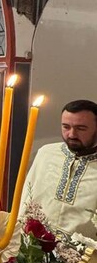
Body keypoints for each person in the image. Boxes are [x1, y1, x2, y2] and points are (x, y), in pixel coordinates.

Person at [21, 99, 97, 237]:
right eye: (66, 127)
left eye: (81, 128)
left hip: (84, 247)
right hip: (35, 243)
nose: (72, 134)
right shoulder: (46, 153)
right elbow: (26, 198)